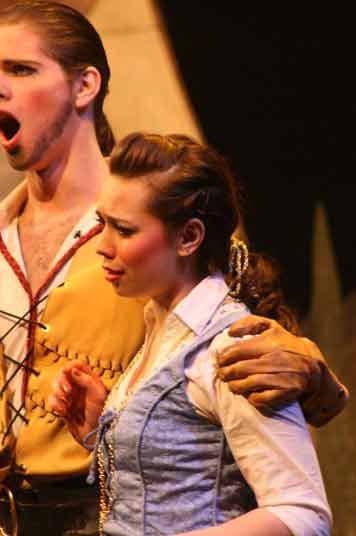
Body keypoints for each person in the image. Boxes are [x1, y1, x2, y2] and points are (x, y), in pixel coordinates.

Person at [0, 2, 345, 535]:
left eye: (20, 70)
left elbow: (236, 338)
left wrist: (314, 374)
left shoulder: (160, 231)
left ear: (84, 86)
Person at [49, 132, 332, 535]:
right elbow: (176, 475)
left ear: (189, 237)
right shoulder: (161, 327)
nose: (103, 246)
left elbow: (303, 512)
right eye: (102, 223)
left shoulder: (232, 348)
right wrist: (106, 432)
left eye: (125, 231)